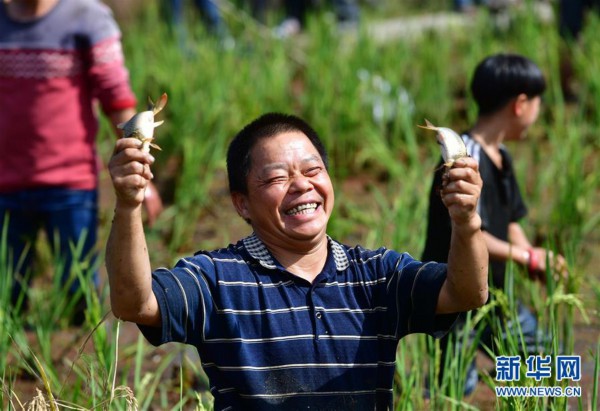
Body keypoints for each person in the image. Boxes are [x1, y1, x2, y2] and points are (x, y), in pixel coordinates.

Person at [107, 112, 488, 409]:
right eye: (276, 178)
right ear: (242, 203)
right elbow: (133, 302)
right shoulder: (216, 279)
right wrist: (128, 205)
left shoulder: (377, 276)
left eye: (312, 170)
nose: (302, 185)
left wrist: (467, 221)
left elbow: (467, 292)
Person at [0, 0, 163, 324]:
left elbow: (117, 98)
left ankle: (82, 364)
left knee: (79, 291)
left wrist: (143, 179)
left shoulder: (86, 17)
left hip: (69, 184)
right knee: (8, 296)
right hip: (4, 184)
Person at [422, 53, 568, 395]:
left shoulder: (502, 156)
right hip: (456, 292)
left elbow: (511, 221)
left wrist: (533, 255)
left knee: (546, 362)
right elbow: (474, 234)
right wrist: (528, 258)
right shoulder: (462, 161)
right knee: (456, 387)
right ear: (520, 104)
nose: (539, 110)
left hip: (497, 293)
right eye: (537, 102)